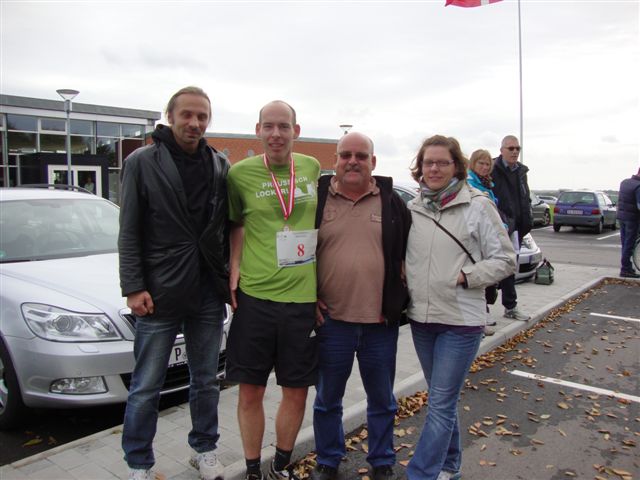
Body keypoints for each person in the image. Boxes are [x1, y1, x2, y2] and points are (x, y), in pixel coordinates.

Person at [118, 86, 230, 480]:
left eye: (202, 116)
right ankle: (139, 463)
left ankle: (204, 449)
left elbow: (224, 228)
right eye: (187, 115)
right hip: (159, 290)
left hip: (206, 292)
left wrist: (227, 278)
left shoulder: (219, 164)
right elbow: (129, 229)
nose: (195, 123)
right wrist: (133, 286)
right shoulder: (142, 162)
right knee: (146, 385)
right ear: (170, 117)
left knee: (206, 380)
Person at [405, 135, 516, 480]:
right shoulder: (414, 208)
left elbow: (506, 259)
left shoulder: (477, 206)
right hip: (422, 319)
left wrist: (467, 276)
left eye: (442, 162)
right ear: (420, 168)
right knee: (443, 399)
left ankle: (421, 474)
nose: (434, 168)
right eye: (428, 162)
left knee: (439, 403)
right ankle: (450, 466)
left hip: (461, 322)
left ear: (457, 166)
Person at [226, 100, 320, 480]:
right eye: (269, 126)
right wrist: (234, 266)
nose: (276, 134)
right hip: (255, 297)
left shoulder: (311, 167)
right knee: (250, 391)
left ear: (296, 131)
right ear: (258, 130)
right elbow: (235, 223)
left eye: (284, 126)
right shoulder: (239, 174)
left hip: (302, 299)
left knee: (296, 391)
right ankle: (253, 470)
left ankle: (281, 465)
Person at [310, 132, 410, 480]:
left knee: (382, 400)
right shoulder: (317, 199)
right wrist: (308, 296)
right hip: (331, 321)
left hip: (379, 323)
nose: (353, 161)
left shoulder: (392, 203)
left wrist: (399, 297)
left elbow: (408, 254)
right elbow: (299, 253)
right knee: (327, 399)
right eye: (346, 155)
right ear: (335, 160)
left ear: (373, 162)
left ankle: (382, 461)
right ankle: (328, 460)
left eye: (361, 156)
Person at [491, 135, 532, 321]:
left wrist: (526, 221)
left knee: (510, 267)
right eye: (511, 148)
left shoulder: (521, 172)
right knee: (490, 267)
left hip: (516, 228)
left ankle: (510, 307)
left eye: (517, 148)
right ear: (502, 150)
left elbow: (524, 198)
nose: (515, 151)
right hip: (497, 227)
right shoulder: (492, 169)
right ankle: (483, 311)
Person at [467, 149, 501, 336]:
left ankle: (483, 315)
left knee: (487, 279)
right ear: (473, 164)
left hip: (490, 233)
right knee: (480, 279)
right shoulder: (471, 183)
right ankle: (481, 319)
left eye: (488, 164)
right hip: (477, 237)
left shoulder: (486, 183)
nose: (485, 167)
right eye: (481, 163)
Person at [616, 167, 640, 278]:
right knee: (629, 244)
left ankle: (626, 267)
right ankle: (625, 270)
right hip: (632, 219)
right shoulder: (638, 186)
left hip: (622, 217)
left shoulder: (624, 183)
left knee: (625, 244)